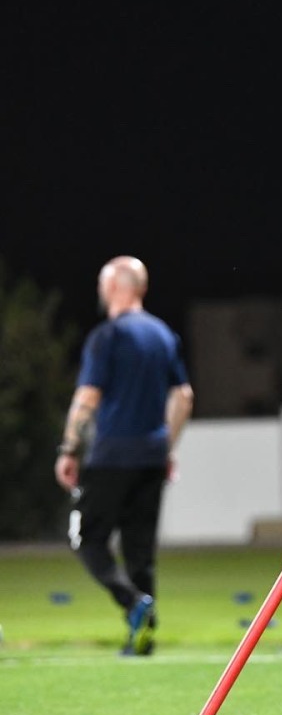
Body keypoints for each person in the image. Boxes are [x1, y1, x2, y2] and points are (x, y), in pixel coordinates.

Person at [53, 255, 194, 656]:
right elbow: (184, 397)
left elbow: (87, 398)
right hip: (151, 457)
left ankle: (133, 604)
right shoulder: (164, 336)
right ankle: (143, 637)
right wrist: (167, 447)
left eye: (103, 283)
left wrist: (68, 449)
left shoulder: (107, 337)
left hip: (112, 455)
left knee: (85, 538)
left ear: (116, 287)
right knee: (139, 551)